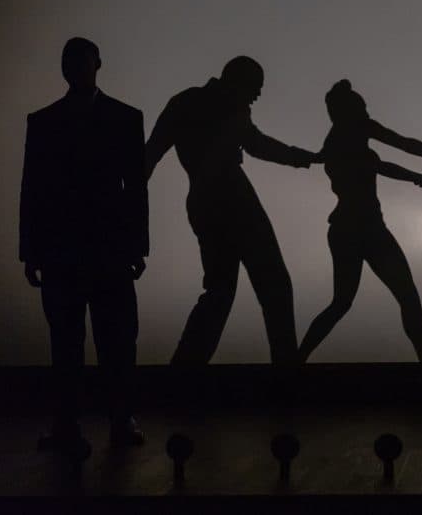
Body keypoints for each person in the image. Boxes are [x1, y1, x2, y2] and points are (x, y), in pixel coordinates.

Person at [145, 56, 317, 365]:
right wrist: (298, 156)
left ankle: (183, 373)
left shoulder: (187, 102)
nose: (258, 96)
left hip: (204, 201)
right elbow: (256, 144)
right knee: (273, 285)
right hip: (233, 199)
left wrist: (298, 156)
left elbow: (150, 155)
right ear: (239, 81)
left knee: (220, 292)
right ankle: (286, 376)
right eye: (256, 88)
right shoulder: (221, 107)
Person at [20, 37, 147, 449]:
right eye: (70, 60)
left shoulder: (47, 121)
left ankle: (98, 421)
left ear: (96, 64)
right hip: (82, 249)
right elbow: (33, 191)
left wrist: (137, 245)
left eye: (79, 60)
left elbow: (136, 189)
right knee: (82, 341)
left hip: (83, 249)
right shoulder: (121, 118)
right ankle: (101, 421)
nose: (74, 66)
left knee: (106, 340)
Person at [296, 80, 422, 363]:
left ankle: (296, 362)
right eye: (363, 109)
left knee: (342, 303)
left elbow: (394, 154)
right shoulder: (348, 140)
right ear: (350, 113)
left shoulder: (337, 143)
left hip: (349, 230)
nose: (368, 114)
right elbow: (399, 150)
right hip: (365, 230)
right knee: (406, 298)